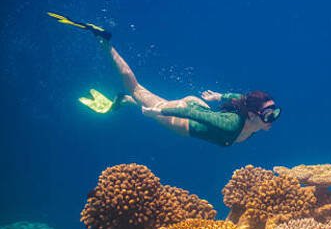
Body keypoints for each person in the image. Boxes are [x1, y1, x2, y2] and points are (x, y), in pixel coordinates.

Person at [48, 12, 281, 147]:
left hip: (194, 106)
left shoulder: (252, 118)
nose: (273, 119)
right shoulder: (232, 124)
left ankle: (126, 100)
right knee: (137, 89)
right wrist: (160, 112)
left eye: (274, 113)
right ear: (253, 115)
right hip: (180, 119)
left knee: (141, 100)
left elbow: (241, 97)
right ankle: (105, 43)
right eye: (269, 115)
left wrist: (220, 96)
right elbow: (193, 114)